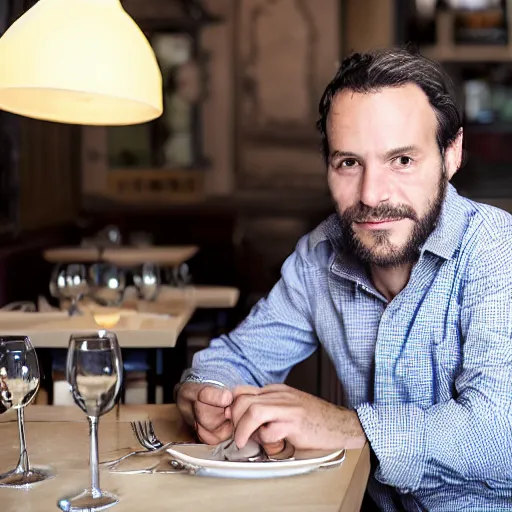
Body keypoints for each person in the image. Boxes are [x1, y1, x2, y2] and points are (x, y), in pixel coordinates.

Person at [175, 47, 512, 511]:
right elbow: (234, 358)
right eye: (349, 163)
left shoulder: (497, 251)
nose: (372, 195)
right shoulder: (319, 256)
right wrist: (205, 394)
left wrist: (341, 426)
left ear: (451, 154)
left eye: (402, 161)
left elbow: (500, 436)